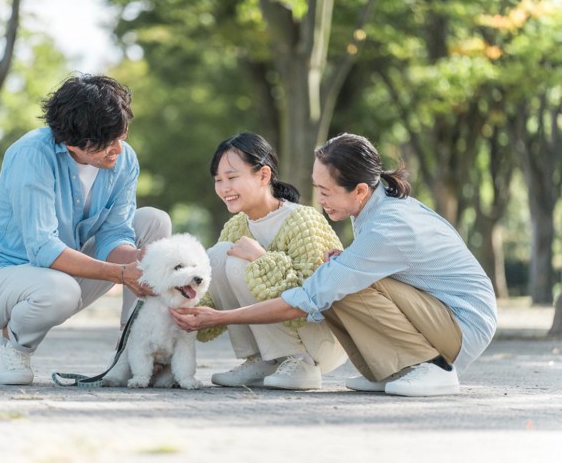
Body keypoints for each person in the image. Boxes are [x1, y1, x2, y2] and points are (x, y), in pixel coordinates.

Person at [171, 132, 497, 397]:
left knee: (335, 283)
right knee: (339, 276)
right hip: (438, 311)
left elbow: (308, 298)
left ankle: (434, 367)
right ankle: (394, 368)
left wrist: (223, 318)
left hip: (461, 324)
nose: (320, 199)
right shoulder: (372, 206)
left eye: (326, 191)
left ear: (359, 190)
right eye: (317, 188)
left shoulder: (389, 226)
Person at [0, 74, 171, 385]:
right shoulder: (32, 155)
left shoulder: (124, 160)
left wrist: (139, 259)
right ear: (72, 143)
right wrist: (121, 274)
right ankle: (16, 345)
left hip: (61, 271)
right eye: (106, 144)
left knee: (155, 221)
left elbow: (114, 234)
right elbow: (43, 248)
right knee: (60, 290)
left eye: (121, 135)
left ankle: (136, 350)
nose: (118, 149)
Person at [198, 132, 347, 391]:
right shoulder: (236, 226)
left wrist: (261, 259)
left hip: (321, 339)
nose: (224, 188)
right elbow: (216, 295)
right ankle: (260, 360)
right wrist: (183, 303)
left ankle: (299, 363)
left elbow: (310, 297)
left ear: (264, 175)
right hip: (281, 337)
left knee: (238, 262)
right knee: (219, 255)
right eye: (218, 180)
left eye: (232, 177)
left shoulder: (303, 220)